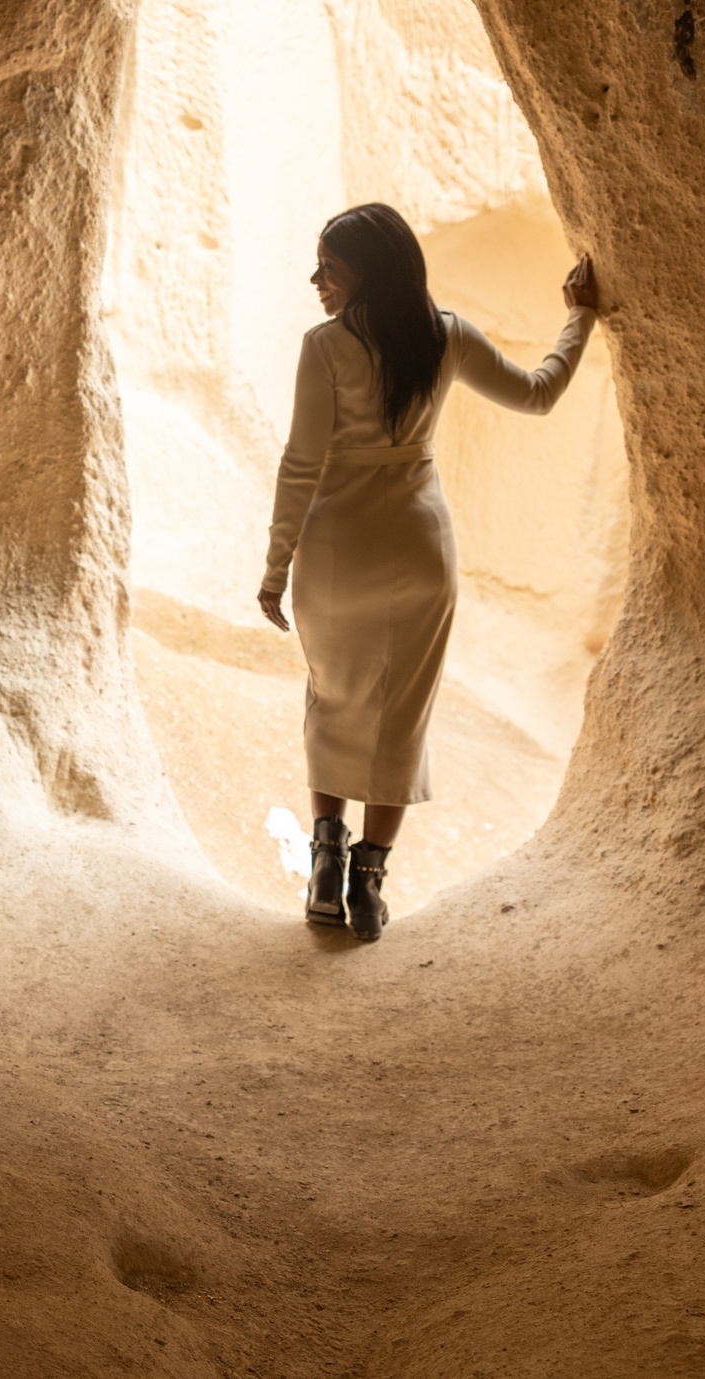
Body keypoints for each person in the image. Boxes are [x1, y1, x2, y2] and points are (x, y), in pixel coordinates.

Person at [257, 203, 599, 943]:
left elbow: (301, 463)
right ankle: (368, 880)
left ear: (365, 272)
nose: (316, 279)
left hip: (337, 549)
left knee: (332, 697)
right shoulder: (446, 336)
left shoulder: (324, 347)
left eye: (329, 267)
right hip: (418, 547)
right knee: (399, 714)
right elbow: (539, 393)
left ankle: (324, 864)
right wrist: (580, 320)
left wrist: (275, 564)